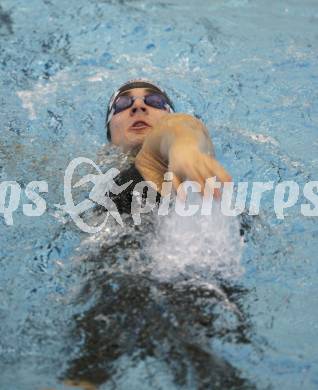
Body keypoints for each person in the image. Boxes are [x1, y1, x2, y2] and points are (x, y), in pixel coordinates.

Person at [105, 80, 231, 209]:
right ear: (109, 134)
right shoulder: (96, 181)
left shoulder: (160, 165)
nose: (138, 105)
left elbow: (179, 125)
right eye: (123, 103)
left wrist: (184, 147)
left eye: (155, 101)